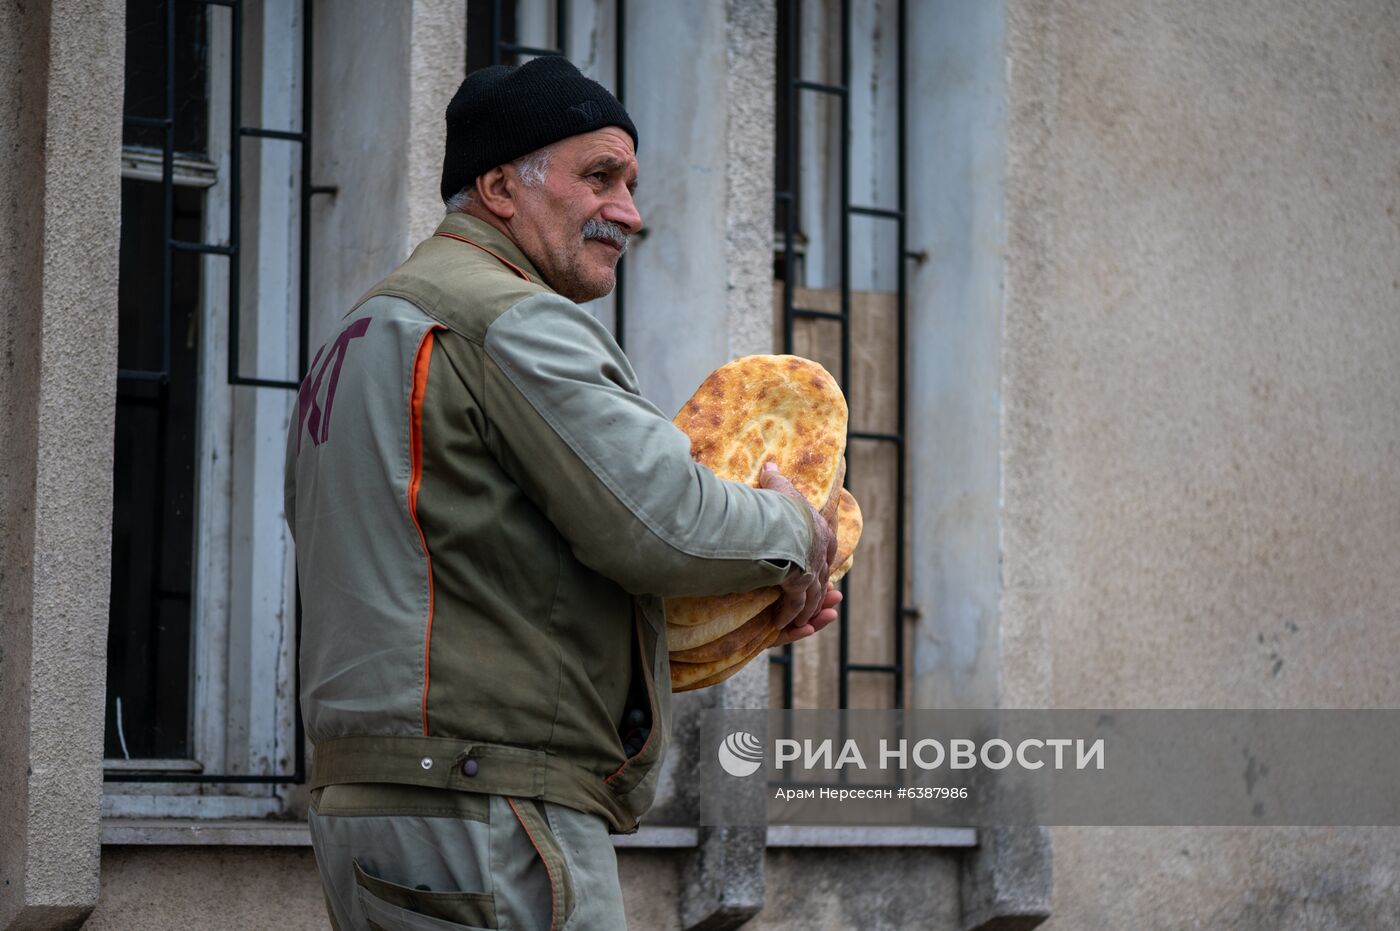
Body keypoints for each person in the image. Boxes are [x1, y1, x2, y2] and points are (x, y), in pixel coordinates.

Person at [285, 55, 840, 931]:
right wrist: (796, 533)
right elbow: (664, 523)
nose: (630, 211)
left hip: (375, 804)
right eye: (600, 177)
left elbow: (484, 573)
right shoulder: (512, 317)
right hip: (491, 810)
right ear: (500, 185)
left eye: (631, 182)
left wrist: (738, 608)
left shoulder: (362, 330)